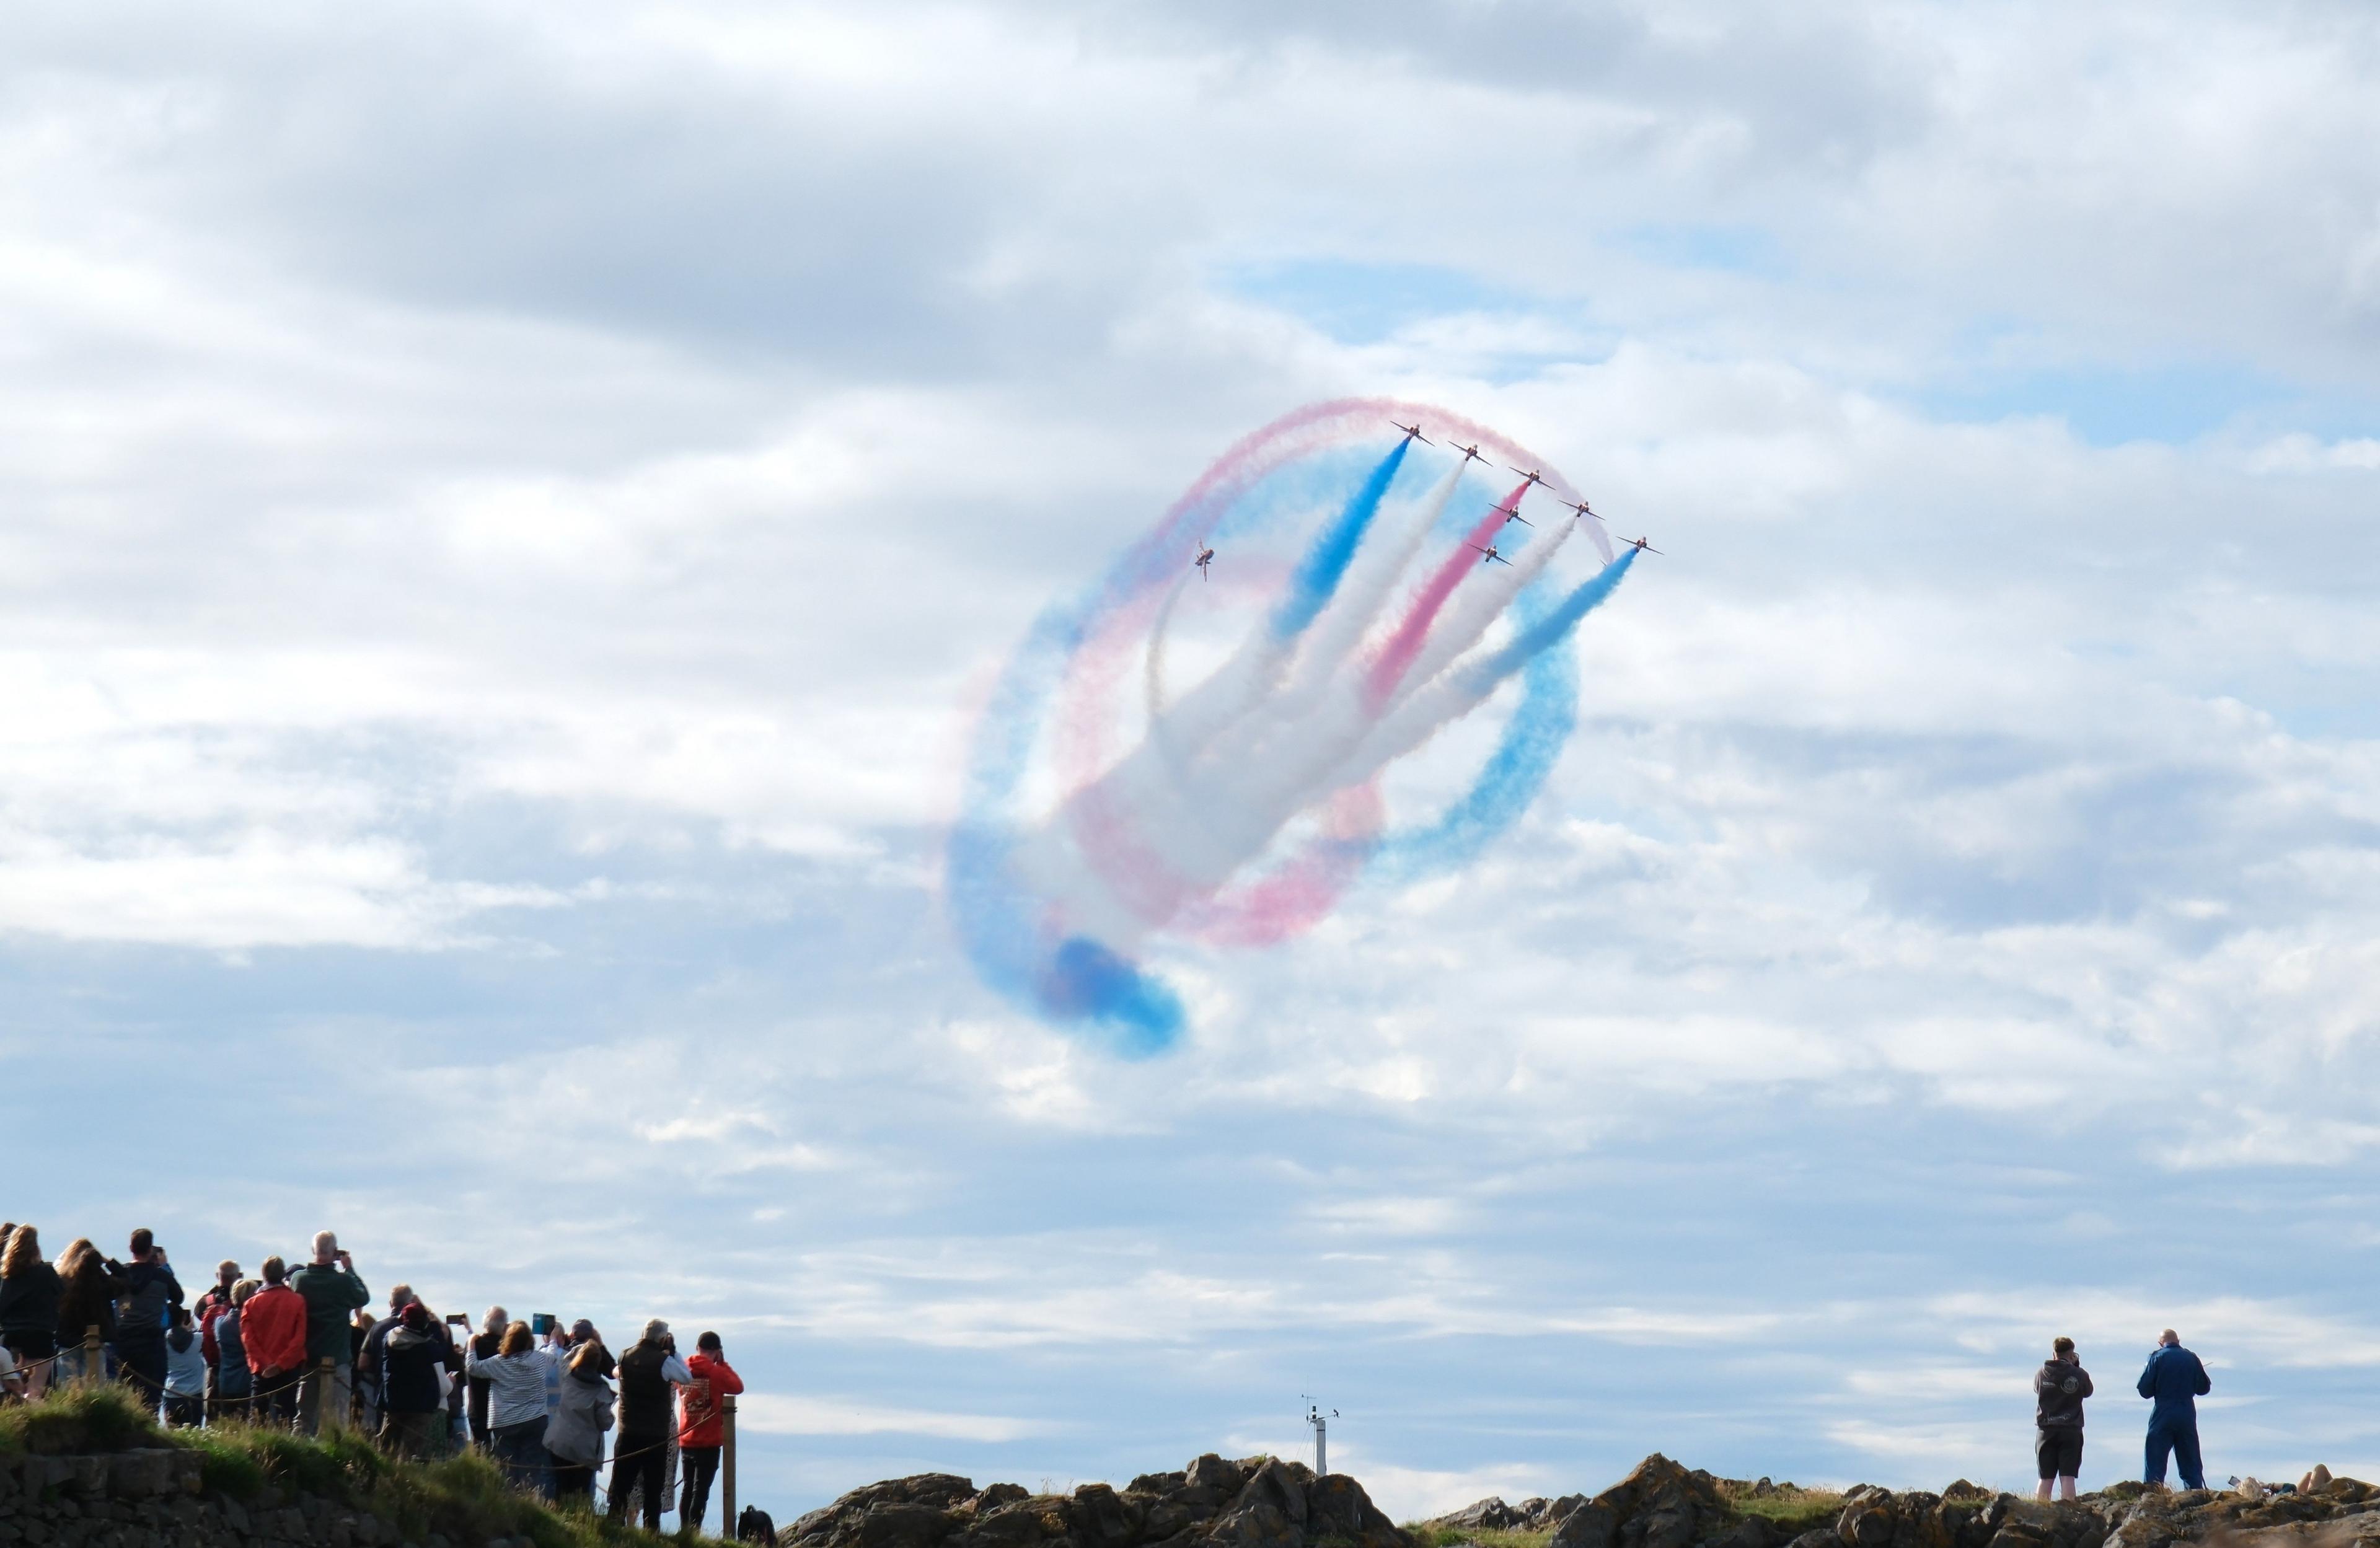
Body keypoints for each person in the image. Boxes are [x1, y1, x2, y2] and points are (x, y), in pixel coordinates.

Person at [607, 1319, 693, 1532]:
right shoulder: (663, 1362)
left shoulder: (625, 1355)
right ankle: (651, 1531)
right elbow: (686, 1377)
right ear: (662, 1338)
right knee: (653, 1488)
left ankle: (612, 1526)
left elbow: (616, 1372)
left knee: (621, 1482)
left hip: (627, 1430)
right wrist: (674, 1355)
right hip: (655, 1434)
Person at [292, 1231, 369, 1435]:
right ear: (335, 1252)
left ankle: (299, 1457)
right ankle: (336, 1458)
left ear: (313, 1251)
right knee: (337, 1418)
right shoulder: (342, 1282)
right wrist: (350, 1269)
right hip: (337, 1357)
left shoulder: (299, 1280)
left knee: (304, 1416)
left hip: (308, 1357)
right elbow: (363, 1297)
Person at [468, 1321, 555, 1494]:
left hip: (505, 1421)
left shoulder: (499, 1363)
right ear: (530, 1340)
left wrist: (471, 1343)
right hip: (535, 1420)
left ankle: (510, 1503)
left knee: (506, 1467)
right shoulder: (540, 1359)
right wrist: (552, 1340)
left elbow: (473, 1367)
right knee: (531, 1468)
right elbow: (553, 1356)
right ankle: (530, 1502)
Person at [679, 1330, 746, 1531]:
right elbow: (737, 1387)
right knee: (701, 1491)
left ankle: (684, 1531)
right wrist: (723, 1364)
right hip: (708, 1440)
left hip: (686, 1438)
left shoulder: (682, 1368)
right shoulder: (715, 1372)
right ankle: (694, 1531)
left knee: (688, 1489)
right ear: (717, 1351)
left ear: (697, 1348)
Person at [108, 1228, 183, 1402]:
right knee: (151, 1393)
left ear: (130, 1248)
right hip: (152, 1341)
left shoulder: (120, 1274)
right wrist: (165, 1266)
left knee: (124, 1392)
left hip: (122, 1339)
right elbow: (178, 1297)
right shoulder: (162, 1276)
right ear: (150, 1250)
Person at [2139, 1328, 2213, 1490]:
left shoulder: (2156, 1357)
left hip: (2163, 1411)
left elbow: (2144, 1390)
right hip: (2186, 1412)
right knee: (2190, 1459)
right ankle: (2195, 1495)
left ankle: (2153, 1494)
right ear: (2179, 1341)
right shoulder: (2192, 1358)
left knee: (2156, 1459)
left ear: (2160, 1344)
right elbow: (2204, 1388)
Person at [544, 1340, 616, 1505]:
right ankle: (579, 1524)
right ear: (597, 1363)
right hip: (584, 1451)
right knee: (581, 1495)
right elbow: (606, 1423)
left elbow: (565, 1359)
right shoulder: (601, 1390)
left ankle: (559, 1521)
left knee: (561, 1488)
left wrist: (578, 1344)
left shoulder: (567, 1375)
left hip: (559, 1443)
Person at [241, 1257, 310, 1427]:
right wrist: (280, 1364)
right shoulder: (297, 1301)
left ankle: (256, 1451)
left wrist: (266, 1363)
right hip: (289, 1368)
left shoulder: (250, 1304)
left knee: (257, 1418)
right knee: (286, 1417)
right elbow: (299, 1338)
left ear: (263, 1275)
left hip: (261, 1369)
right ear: (283, 1274)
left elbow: (248, 1340)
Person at [0, 1225, 62, 1399]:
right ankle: (34, 1414)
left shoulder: (8, 1275)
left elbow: (2, 1305)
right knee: (36, 1387)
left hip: (11, 1335)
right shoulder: (46, 1272)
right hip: (40, 1334)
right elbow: (62, 1294)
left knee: (11, 1387)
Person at [379, 1303, 448, 1458]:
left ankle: (383, 1478)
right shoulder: (425, 1346)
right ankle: (405, 1479)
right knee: (411, 1452)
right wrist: (436, 1328)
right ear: (423, 1322)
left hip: (394, 1401)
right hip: (420, 1405)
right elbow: (441, 1353)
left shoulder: (388, 1339)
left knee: (387, 1448)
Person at [53, 1238, 125, 1381]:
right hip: (96, 1340)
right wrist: (107, 1261)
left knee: (67, 1391)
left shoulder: (61, 1280)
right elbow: (125, 1277)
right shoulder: (102, 1282)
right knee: (95, 1390)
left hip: (67, 1340)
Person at [2034, 1335, 2092, 1501]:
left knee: (2045, 1477)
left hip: (2046, 1429)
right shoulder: (2079, 1374)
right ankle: (2069, 1513)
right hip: (2071, 1429)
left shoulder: (2041, 1373)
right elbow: (2088, 1392)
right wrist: (2076, 1367)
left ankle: (2041, 1512)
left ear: (2054, 1353)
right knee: (2068, 1476)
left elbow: (2036, 1389)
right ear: (2072, 1353)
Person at [360, 1285, 416, 1438]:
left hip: (384, 1391)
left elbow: (363, 1363)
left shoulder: (378, 1328)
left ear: (390, 1304)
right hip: (414, 1394)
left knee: (386, 1441)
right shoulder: (418, 1328)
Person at [206, 1280, 258, 1421]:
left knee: (229, 1425)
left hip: (226, 1381)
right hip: (247, 1381)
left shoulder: (220, 1322)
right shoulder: (253, 1325)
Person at [194, 1260, 240, 1418]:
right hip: (237, 1363)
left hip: (212, 1362)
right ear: (238, 1276)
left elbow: (199, 1314)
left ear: (217, 1276)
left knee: (213, 1409)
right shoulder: (241, 1302)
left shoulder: (205, 1302)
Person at [467, 1306, 508, 1451]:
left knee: (480, 1454)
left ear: (485, 1324)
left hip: (477, 1408)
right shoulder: (506, 1348)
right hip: (501, 1411)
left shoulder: (474, 1344)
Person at [161, 1306, 207, 1427]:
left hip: (171, 1392)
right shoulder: (198, 1339)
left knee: (173, 1435)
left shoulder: (162, 1341)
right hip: (195, 1394)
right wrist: (191, 1329)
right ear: (184, 1319)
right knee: (195, 1436)